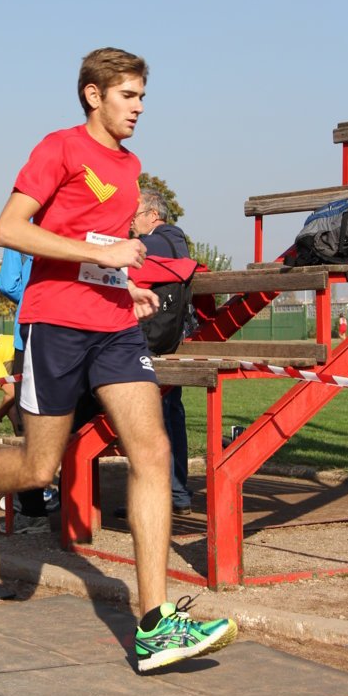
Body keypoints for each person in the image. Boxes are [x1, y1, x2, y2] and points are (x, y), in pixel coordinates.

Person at [0, 47, 236, 673]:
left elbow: (100, 246)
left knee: (152, 452)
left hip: (114, 327)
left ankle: (154, 623)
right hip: (56, 325)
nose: (139, 108)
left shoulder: (130, 166)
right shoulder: (58, 148)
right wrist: (107, 257)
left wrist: (124, 282)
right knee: (40, 466)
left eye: (143, 97)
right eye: (128, 96)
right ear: (94, 95)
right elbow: (9, 230)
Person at [132, 189, 193, 516]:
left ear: (153, 215)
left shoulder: (158, 240)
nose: (132, 223)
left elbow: (129, 256)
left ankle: (167, 493)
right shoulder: (174, 240)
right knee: (169, 413)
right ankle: (175, 492)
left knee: (158, 416)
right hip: (168, 339)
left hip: (154, 341)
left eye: (135, 216)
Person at [0, 248, 51, 533]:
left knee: (29, 423)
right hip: (79, 332)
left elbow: (8, 284)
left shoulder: (23, 230)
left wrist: (32, 298)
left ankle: (33, 512)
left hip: (33, 334)